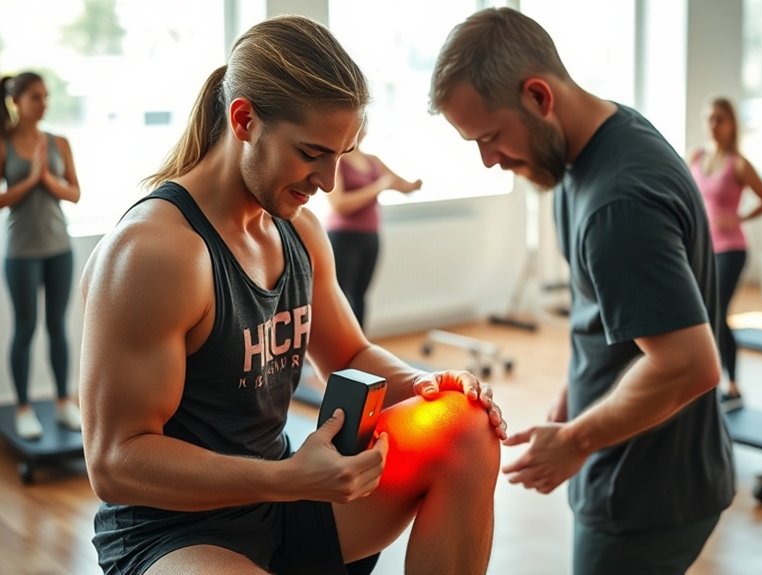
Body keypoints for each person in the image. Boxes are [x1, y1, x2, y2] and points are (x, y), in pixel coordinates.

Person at [79, 16, 505, 575]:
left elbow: (348, 355)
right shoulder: (157, 253)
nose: (328, 181)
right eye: (312, 153)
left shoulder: (297, 230)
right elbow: (116, 461)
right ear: (244, 119)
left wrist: (428, 385)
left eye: (341, 155)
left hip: (283, 496)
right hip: (175, 531)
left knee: (465, 426)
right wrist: (285, 479)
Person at [430, 8, 733, 574]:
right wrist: (574, 395)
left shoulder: (618, 205)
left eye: (491, 136)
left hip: (645, 489)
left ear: (539, 96)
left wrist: (575, 440)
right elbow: (603, 314)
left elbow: (690, 365)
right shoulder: (594, 149)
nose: (489, 160)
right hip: (638, 465)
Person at [0, 71, 82, 440]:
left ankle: (63, 402)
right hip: (22, 252)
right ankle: (23, 407)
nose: (43, 103)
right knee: (25, 329)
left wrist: (48, 181)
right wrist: (27, 182)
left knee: (58, 328)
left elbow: (74, 193)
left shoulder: (59, 142)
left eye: (46, 96)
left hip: (59, 249)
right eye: (36, 97)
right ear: (16, 101)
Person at [689, 97, 762, 411]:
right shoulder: (696, 158)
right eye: (709, 118)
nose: (714, 125)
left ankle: (732, 386)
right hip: (702, 248)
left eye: (720, 119)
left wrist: (739, 218)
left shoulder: (738, 163)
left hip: (732, 249)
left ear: (731, 124)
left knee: (717, 313)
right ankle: (704, 383)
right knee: (702, 315)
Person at [324, 123, 422, 328]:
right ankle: (340, 350)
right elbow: (339, 204)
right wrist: (378, 187)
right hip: (343, 237)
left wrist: (415, 183)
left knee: (360, 296)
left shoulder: (373, 161)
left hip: (370, 236)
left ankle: (359, 350)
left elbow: (400, 184)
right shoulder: (337, 161)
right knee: (342, 297)